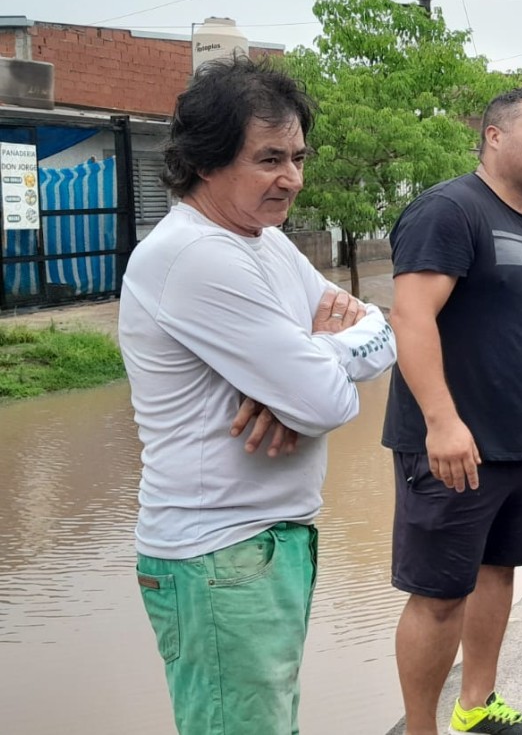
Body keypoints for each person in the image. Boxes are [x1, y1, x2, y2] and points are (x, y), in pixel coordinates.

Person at [119, 56, 397, 734]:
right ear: (207, 161)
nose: (293, 179)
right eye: (270, 158)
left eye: (298, 157)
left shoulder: (265, 244)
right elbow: (329, 402)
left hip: (272, 542)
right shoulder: (192, 255)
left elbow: (385, 332)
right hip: (217, 552)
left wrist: (313, 361)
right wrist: (313, 371)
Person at [383, 85, 522, 735]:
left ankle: (476, 706)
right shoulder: (451, 211)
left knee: (498, 569)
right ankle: (422, 730)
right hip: (456, 446)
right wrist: (440, 420)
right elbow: (411, 315)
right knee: (438, 593)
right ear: (492, 136)